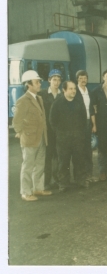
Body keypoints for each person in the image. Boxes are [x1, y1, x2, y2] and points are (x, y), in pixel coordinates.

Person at [13, 70, 51, 201]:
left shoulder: (39, 98)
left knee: (40, 164)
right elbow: (17, 120)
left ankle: (37, 188)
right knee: (28, 165)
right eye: (37, 82)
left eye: (39, 81)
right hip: (29, 137)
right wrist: (19, 132)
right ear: (28, 84)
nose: (40, 84)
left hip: (41, 137)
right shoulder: (23, 100)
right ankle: (25, 192)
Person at [49, 81, 88, 192]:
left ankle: (80, 181)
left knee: (79, 160)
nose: (73, 91)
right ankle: (63, 184)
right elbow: (52, 120)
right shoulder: (57, 103)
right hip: (63, 139)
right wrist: (60, 133)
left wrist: (80, 133)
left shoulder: (79, 103)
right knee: (63, 162)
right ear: (64, 90)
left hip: (78, 138)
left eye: (74, 89)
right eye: (70, 88)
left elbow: (84, 119)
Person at [37, 69, 62, 190]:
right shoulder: (42, 94)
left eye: (58, 80)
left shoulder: (63, 94)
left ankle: (57, 179)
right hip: (47, 131)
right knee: (47, 156)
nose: (56, 82)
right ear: (49, 80)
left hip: (59, 131)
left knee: (58, 156)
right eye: (54, 80)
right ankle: (46, 182)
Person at [74, 70, 97, 182]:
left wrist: (94, 124)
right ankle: (80, 177)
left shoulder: (90, 92)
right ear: (77, 79)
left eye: (85, 78)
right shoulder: (75, 92)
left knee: (88, 150)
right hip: (78, 124)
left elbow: (91, 109)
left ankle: (89, 175)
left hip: (88, 124)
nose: (83, 80)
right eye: (81, 78)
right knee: (79, 150)